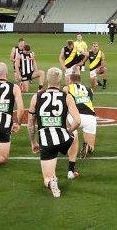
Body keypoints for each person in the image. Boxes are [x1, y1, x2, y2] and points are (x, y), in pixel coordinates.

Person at [27, 67, 81, 197]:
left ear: (46, 80)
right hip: (64, 138)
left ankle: (51, 182)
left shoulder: (36, 97)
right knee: (75, 135)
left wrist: (33, 142)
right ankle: (71, 169)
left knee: (47, 177)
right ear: (61, 80)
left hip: (46, 141)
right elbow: (77, 121)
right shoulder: (66, 96)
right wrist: (68, 131)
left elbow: (30, 125)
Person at [66, 71, 98, 158]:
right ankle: (87, 147)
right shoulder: (88, 89)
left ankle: (69, 139)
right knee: (91, 146)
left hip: (74, 117)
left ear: (70, 81)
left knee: (65, 119)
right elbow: (90, 100)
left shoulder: (67, 88)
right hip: (90, 117)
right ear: (80, 81)